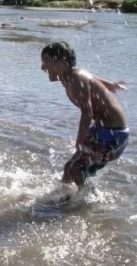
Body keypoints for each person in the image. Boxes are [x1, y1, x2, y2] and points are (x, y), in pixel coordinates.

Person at [40, 42, 129, 188]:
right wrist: (110, 85)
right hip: (101, 131)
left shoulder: (74, 79)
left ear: (62, 62)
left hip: (113, 136)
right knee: (69, 169)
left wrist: (80, 142)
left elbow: (87, 112)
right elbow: (91, 77)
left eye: (46, 63)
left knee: (76, 169)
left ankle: (90, 200)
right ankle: (63, 197)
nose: (43, 68)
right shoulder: (71, 75)